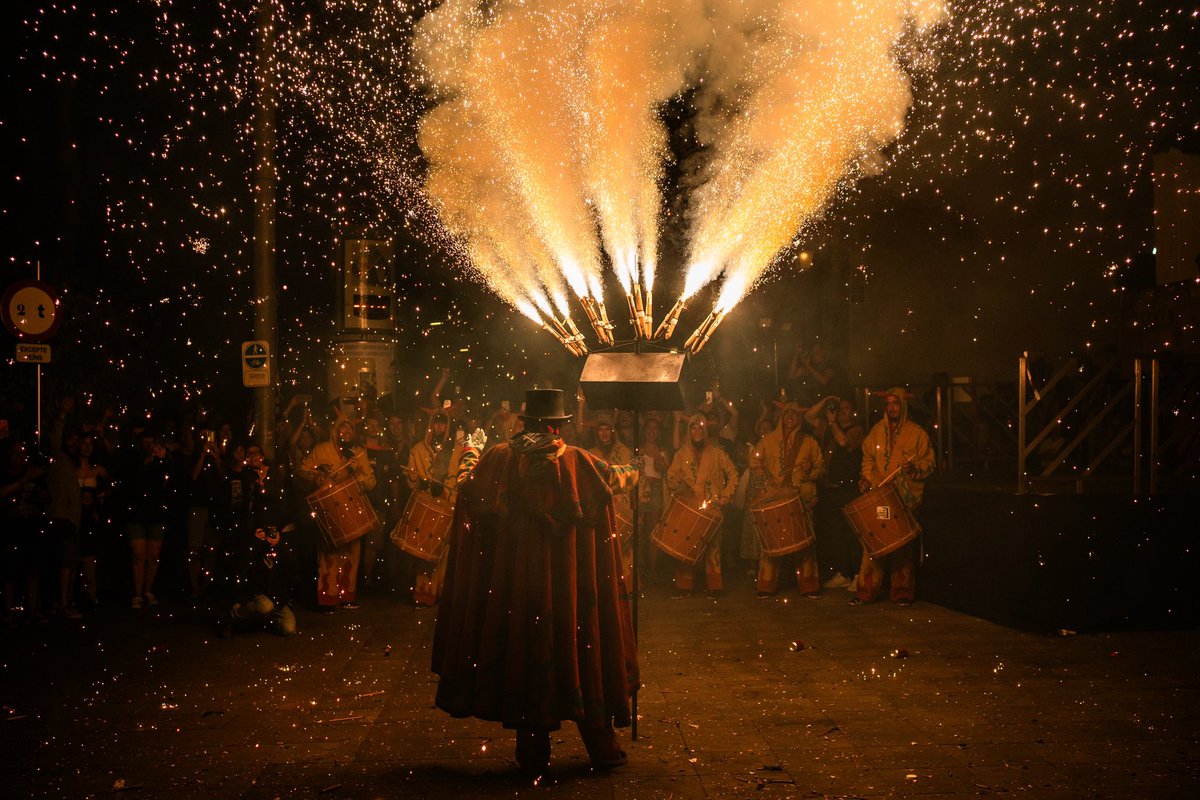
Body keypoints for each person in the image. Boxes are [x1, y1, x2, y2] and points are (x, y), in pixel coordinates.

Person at [432, 389, 639, 774]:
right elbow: (618, 479)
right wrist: (637, 465)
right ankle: (602, 745)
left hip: (518, 588)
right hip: (572, 591)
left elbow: (466, 485)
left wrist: (471, 452)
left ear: (524, 423)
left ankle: (533, 750)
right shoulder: (578, 462)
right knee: (583, 650)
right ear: (558, 426)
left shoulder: (498, 459)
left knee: (526, 654)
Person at [851, 387, 935, 607]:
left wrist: (914, 467)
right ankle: (866, 592)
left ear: (903, 406)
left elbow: (929, 463)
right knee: (872, 544)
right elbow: (867, 459)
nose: (891, 408)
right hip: (880, 495)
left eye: (895, 403)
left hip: (905, 497)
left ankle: (902, 593)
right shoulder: (876, 432)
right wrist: (867, 478)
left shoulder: (917, 434)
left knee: (902, 547)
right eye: (888, 404)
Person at [301, 418, 377, 613]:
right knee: (329, 555)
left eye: (350, 427)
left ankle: (347, 596)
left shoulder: (359, 452)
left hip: (353, 510)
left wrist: (356, 470)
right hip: (330, 511)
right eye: (342, 427)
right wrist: (318, 476)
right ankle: (327, 599)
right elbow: (303, 470)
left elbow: (371, 483)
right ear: (335, 430)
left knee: (352, 554)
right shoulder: (322, 449)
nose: (346, 430)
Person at [753, 401, 825, 598]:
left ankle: (809, 585)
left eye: (795, 414)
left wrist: (811, 470)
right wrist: (763, 477)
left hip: (800, 497)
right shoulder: (767, 441)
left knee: (805, 542)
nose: (791, 417)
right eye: (787, 414)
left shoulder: (809, 442)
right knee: (771, 542)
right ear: (782, 417)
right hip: (774, 497)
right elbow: (755, 460)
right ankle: (765, 586)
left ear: (799, 418)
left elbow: (821, 467)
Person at [664, 415, 737, 599]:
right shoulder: (681, 454)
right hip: (690, 507)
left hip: (713, 507)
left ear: (705, 432)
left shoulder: (718, 453)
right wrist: (677, 482)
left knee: (714, 548)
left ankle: (715, 586)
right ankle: (683, 587)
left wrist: (726, 495)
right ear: (689, 431)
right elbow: (671, 476)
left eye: (700, 428)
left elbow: (734, 475)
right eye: (693, 428)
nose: (697, 432)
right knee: (686, 545)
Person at [404, 412, 465, 606]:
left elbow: (462, 478)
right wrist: (416, 481)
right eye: (436, 423)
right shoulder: (417, 450)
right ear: (431, 425)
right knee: (425, 553)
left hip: (449, 508)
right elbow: (411, 481)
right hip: (426, 508)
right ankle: (423, 594)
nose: (439, 428)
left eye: (442, 424)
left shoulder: (456, 450)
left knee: (446, 555)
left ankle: (441, 594)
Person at [807, 397, 865, 589]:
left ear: (853, 412)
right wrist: (825, 401)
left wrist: (832, 422)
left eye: (846, 408)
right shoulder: (829, 427)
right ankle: (844, 573)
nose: (841, 411)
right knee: (835, 534)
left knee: (852, 533)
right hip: (830, 490)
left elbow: (843, 442)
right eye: (839, 408)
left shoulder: (857, 430)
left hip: (849, 490)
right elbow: (808, 416)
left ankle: (858, 575)